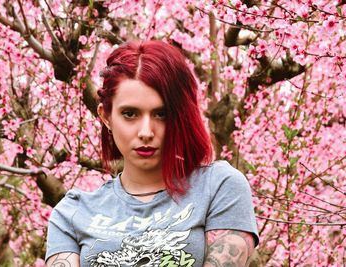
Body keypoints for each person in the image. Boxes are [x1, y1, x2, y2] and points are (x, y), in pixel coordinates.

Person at [46, 40, 259, 267]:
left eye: (161, 114)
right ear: (106, 116)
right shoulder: (71, 213)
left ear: (181, 116)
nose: (146, 132)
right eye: (129, 114)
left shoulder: (219, 187)